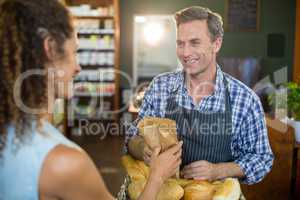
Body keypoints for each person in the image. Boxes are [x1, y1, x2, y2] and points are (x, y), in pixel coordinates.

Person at [0, 0, 182, 200]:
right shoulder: (63, 163)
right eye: (74, 51)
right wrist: (157, 175)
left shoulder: (11, 130)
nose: (78, 67)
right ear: (50, 49)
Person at [126, 6, 274, 185]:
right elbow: (132, 137)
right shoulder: (160, 87)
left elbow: (262, 159)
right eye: (180, 43)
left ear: (216, 44)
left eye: (195, 42)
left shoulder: (245, 99)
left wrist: (218, 170)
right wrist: (143, 149)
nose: (185, 53)